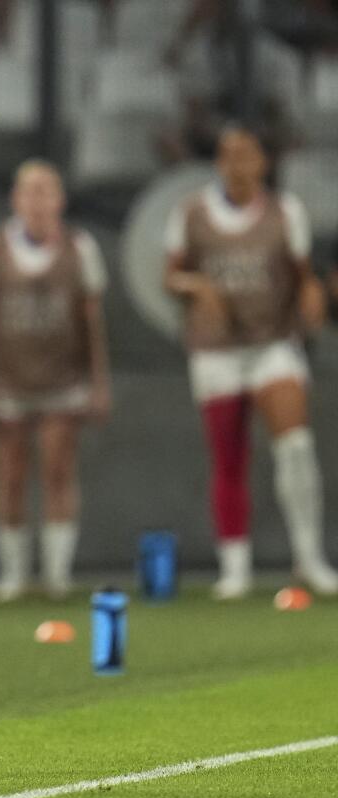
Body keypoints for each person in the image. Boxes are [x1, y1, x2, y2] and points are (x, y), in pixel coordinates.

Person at [164, 126, 337, 599]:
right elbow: (170, 276)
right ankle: (235, 566)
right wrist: (198, 288)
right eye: (228, 155)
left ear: (263, 162)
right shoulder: (192, 214)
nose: (237, 165)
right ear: (218, 162)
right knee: (229, 456)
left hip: (272, 342)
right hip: (217, 349)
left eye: (247, 155)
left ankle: (309, 557)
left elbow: (303, 276)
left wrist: (311, 296)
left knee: (296, 445)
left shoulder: (286, 213)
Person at [0, 161, 111, 601]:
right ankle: (13, 573)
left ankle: (57, 572)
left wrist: (99, 381)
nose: (38, 201)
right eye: (30, 192)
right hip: (7, 377)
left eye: (47, 191)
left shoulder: (82, 249)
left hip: (63, 376)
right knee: (9, 471)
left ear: (60, 200)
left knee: (59, 467)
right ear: (15, 199)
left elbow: (93, 322)